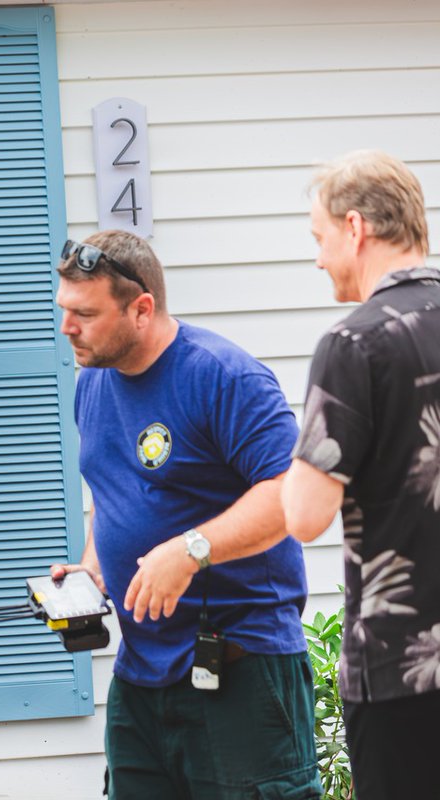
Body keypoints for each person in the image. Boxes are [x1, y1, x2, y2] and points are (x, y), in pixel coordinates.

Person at [50, 231, 320, 798]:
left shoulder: (224, 376)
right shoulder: (93, 383)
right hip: (141, 676)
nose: (67, 327)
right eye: (64, 311)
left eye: (85, 314)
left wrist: (191, 549)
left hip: (241, 670)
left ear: (141, 308)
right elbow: (114, 490)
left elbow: (288, 495)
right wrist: (92, 569)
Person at [282, 150, 440, 800]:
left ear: (355, 228)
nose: (319, 258)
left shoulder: (354, 344)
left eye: (319, 239)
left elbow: (304, 515)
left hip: (400, 672)